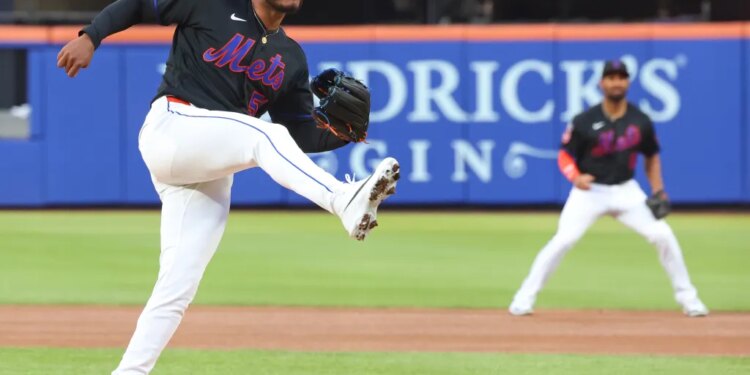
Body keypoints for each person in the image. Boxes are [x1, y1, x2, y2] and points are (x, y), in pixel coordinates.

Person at [56, 0, 400, 373]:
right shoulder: (209, 5)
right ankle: (341, 198)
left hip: (209, 164)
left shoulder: (291, 57)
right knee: (263, 135)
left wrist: (343, 133)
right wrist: (91, 37)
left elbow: (300, 133)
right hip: (173, 125)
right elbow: (139, 5)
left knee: (178, 286)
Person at [508, 60, 708, 318]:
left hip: (626, 191)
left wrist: (659, 191)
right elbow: (564, 155)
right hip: (589, 193)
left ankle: (689, 299)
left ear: (628, 82)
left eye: (621, 77)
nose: (616, 82)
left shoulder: (640, 120)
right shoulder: (584, 120)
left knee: (663, 235)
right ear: (601, 83)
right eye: (611, 77)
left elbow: (652, 157)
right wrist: (575, 177)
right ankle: (523, 299)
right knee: (563, 240)